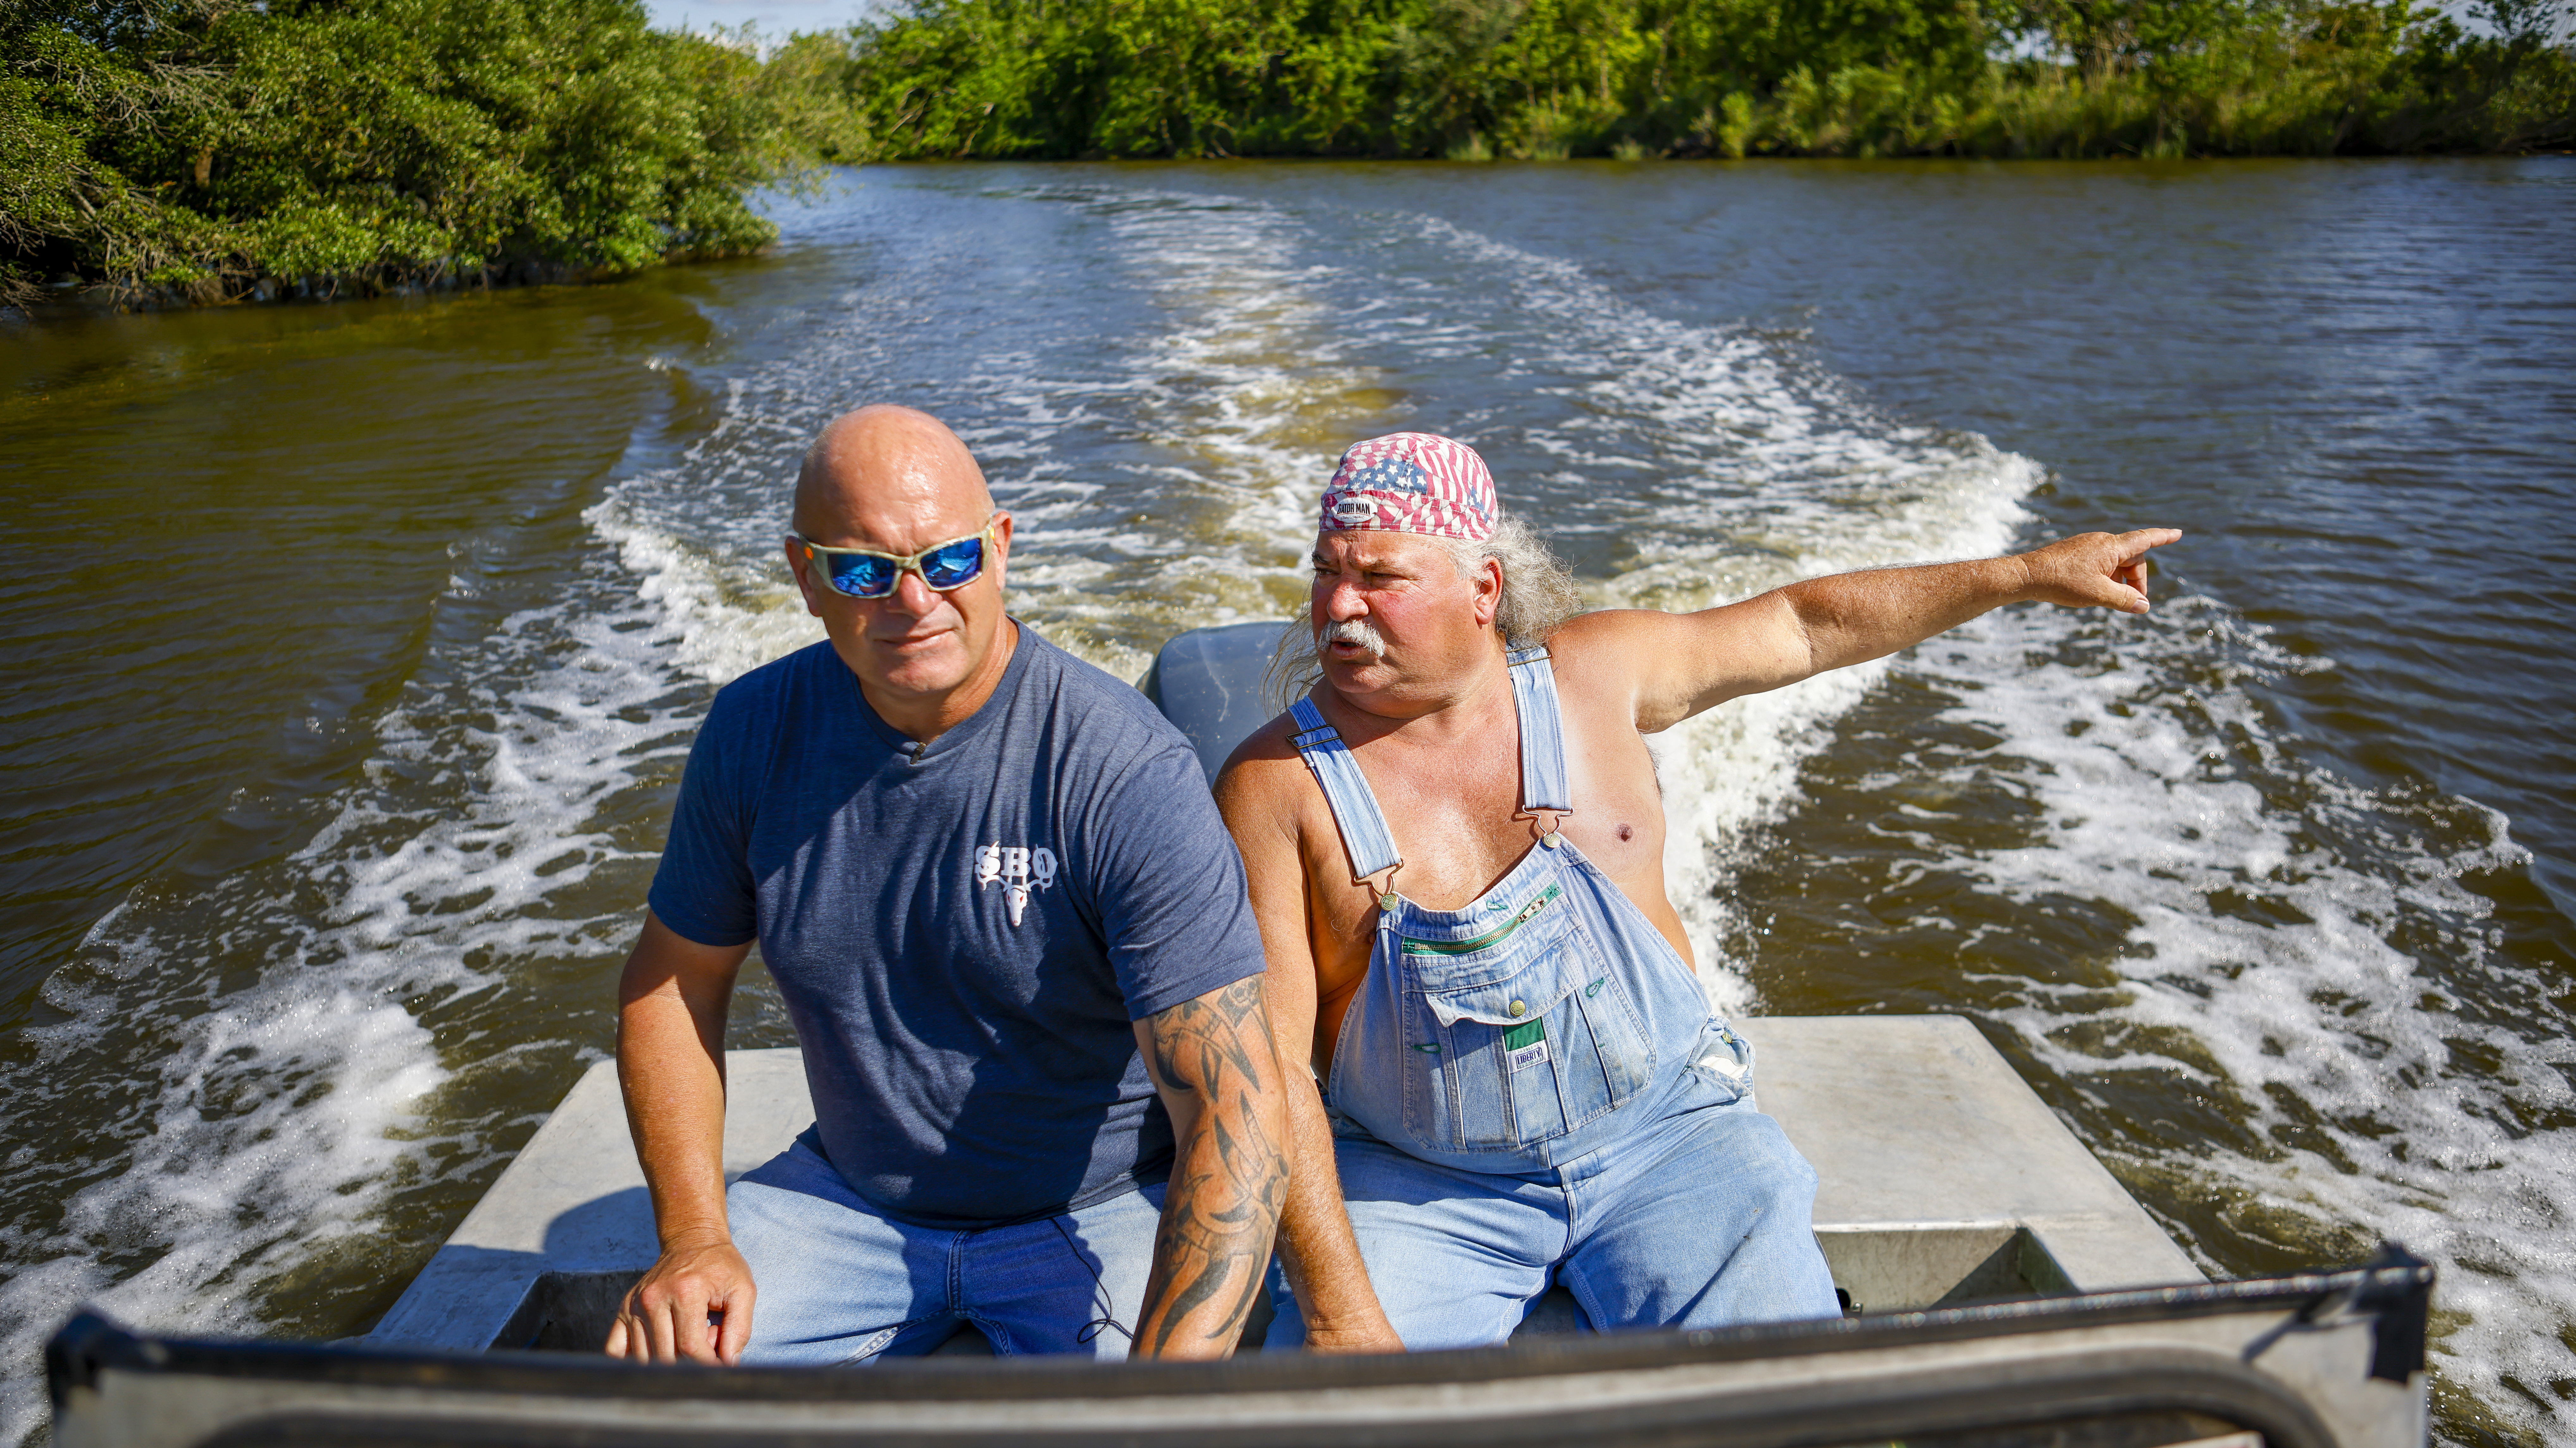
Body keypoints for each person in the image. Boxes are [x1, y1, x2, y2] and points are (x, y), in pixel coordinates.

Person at [1217, 432, 2179, 1352]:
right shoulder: (1273, 787)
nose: (1339, 604)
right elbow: (1271, 1072)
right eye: (1325, 571)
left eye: (1380, 577)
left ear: (1484, 587)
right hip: (1423, 1187)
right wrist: (1345, 1316)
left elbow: (1805, 627)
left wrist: (2026, 574)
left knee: (1778, 1406)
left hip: (1672, 1141)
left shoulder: (1595, 672)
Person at [607, 405, 1287, 1366]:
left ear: (1000, 549)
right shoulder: (752, 734)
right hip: (847, 1203)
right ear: (807, 577)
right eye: (863, 571)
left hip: (1098, 1207)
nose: (914, 600)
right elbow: (674, 982)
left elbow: (1235, 1110)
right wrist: (694, 1239)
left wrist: (1161, 1403)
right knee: (652, 1395)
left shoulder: (1123, 768)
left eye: (949, 560)